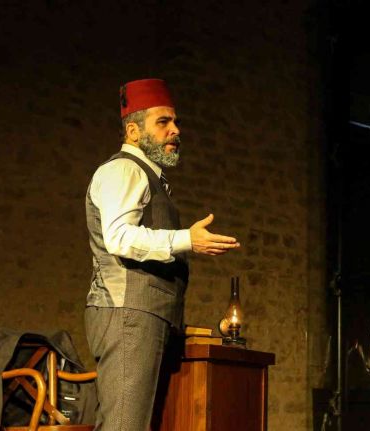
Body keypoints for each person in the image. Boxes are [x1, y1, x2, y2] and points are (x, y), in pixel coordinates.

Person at [84, 78, 240, 430]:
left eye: (175, 121)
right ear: (133, 131)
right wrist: (186, 240)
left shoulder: (150, 177)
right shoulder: (124, 170)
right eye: (163, 122)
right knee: (124, 425)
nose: (175, 130)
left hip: (146, 316)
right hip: (128, 313)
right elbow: (119, 238)